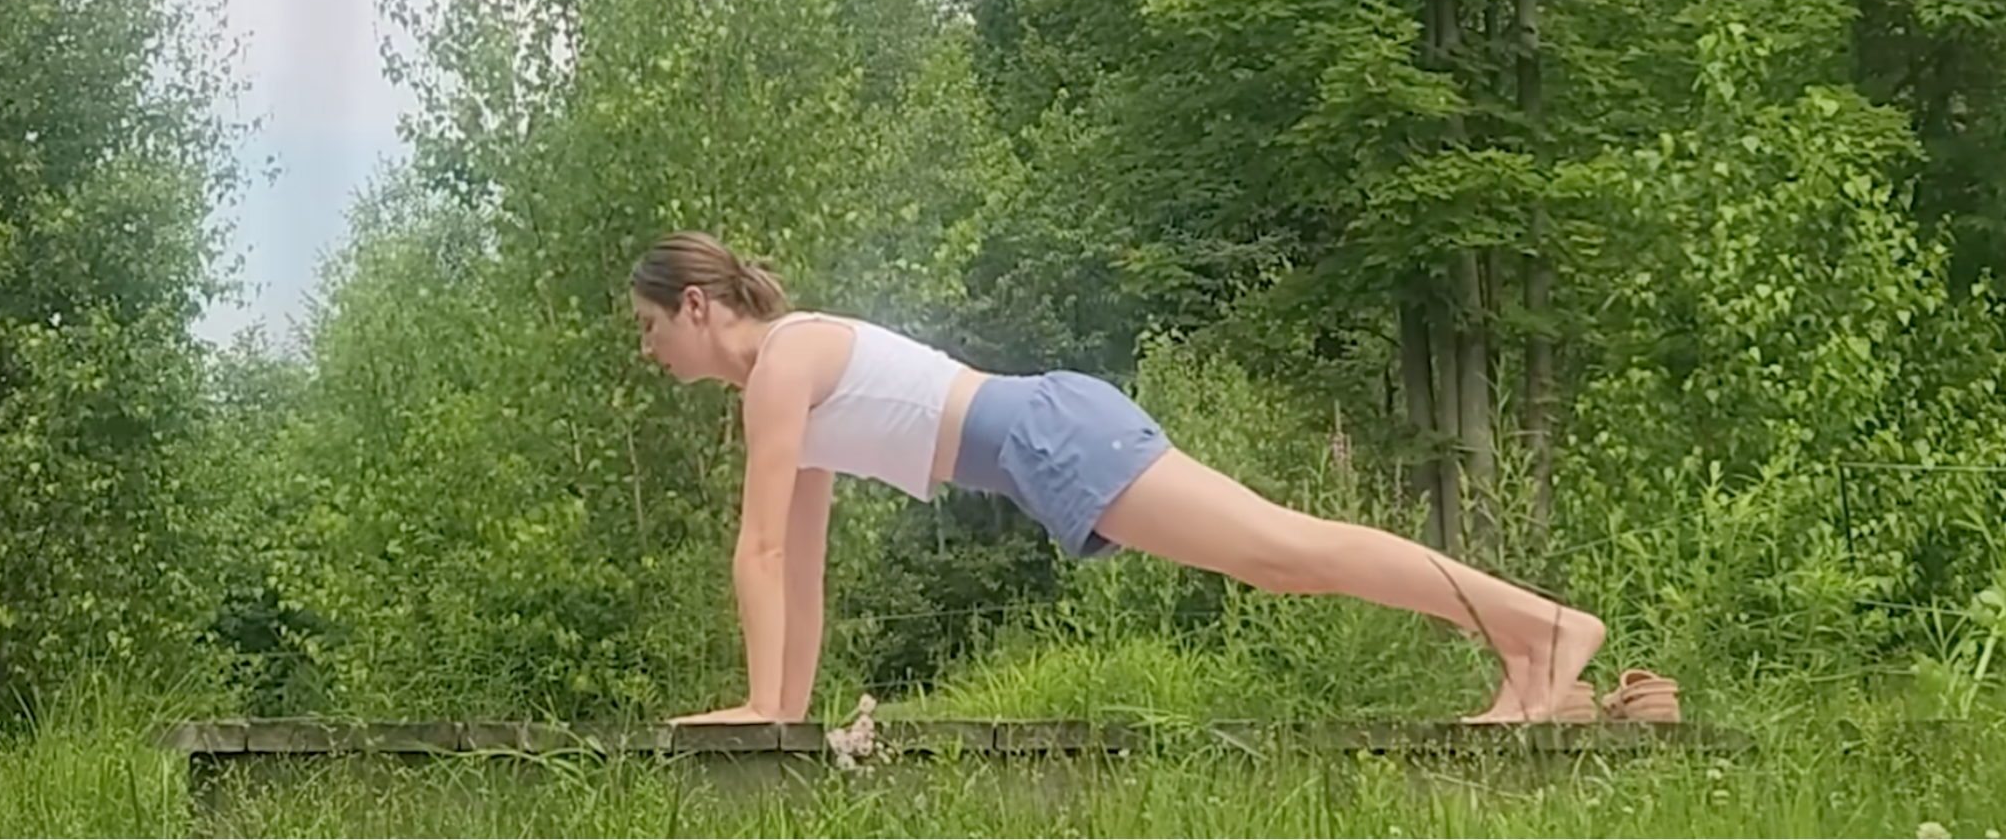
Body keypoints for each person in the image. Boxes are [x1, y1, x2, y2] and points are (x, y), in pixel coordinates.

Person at [629, 230, 1652, 728]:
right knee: (1285, 559)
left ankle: (1547, 629)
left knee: (1287, 552)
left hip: (1054, 435)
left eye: (649, 326)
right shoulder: (786, 383)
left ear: (698, 307)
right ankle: (1530, 647)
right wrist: (781, 715)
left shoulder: (785, 363)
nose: (649, 350)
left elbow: (758, 550)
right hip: (1049, 440)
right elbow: (800, 569)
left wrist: (756, 710)